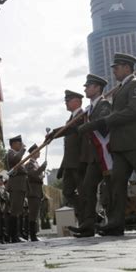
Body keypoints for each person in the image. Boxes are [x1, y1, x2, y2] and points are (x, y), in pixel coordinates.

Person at [78, 53, 136, 236]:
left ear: (127, 68)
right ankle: (116, 224)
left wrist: (103, 122)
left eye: (117, 67)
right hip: (120, 147)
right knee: (117, 186)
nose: (114, 71)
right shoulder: (120, 89)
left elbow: (132, 111)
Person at [69, 74, 111, 238]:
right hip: (94, 156)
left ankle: (111, 223)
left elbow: (104, 124)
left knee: (109, 191)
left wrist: (85, 127)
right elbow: (76, 128)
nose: (85, 89)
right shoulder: (90, 109)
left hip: (106, 155)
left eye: (88, 86)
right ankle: (88, 226)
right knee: (87, 189)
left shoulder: (104, 105)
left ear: (97, 88)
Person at [50, 90, 85, 224]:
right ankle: (88, 216)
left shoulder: (82, 116)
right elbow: (68, 148)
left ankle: (85, 221)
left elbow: (77, 135)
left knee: (83, 192)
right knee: (67, 192)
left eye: (68, 100)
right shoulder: (70, 119)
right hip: (69, 164)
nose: (66, 103)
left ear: (77, 101)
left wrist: (54, 133)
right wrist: (62, 167)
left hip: (79, 162)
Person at [5, 135, 28, 243]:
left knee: (18, 211)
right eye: (19, 143)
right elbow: (16, 159)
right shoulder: (10, 153)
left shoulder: (15, 153)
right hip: (16, 185)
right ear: (13, 144)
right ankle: (13, 236)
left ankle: (17, 235)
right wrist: (23, 150)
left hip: (20, 185)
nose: (21, 145)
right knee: (14, 211)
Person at [24, 144, 47, 241]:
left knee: (35, 214)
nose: (39, 153)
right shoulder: (30, 164)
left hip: (37, 191)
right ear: (33, 153)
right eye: (38, 151)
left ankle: (34, 234)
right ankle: (32, 235)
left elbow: (36, 176)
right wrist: (42, 168)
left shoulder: (35, 163)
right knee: (33, 214)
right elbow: (32, 174)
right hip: (33, 192)